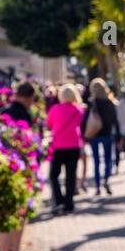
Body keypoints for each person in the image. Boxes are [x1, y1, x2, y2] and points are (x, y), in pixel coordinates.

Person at [46, 84, 84, 213]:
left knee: (53, 175)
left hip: (58, 146)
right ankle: (69, 203)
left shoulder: (54, 108)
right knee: (70, 175)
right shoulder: (78, 110)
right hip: (73, 146)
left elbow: (48, 124)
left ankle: (59, 199)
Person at [83, 78, 120, 196]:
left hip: (94, 134)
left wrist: (84, 135)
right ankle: (106, 180)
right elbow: (115, 121)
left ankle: (98, 186)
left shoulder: (91, 103)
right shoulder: (110, 102)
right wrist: (119, 136)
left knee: (96, 161)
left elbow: (85, 121)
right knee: (108, 159)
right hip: (107, 134)